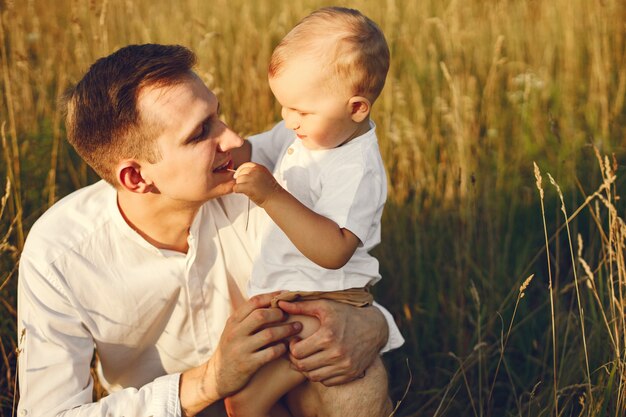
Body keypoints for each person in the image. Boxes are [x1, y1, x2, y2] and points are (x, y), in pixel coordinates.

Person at [16, 43, 403, 417]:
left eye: (218, 114)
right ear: (135, 177)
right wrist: (208, 382)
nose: (234, 140)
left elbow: (339, 272)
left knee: (355, 377)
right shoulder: (61, 255)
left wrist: (374, 324)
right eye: (201, 133)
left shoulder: (273, 174)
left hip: (278, 392)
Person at [226, 7, 402, 417]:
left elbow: (334, 250)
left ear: (357, 108)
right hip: (294, 291)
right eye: (283, 107)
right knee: (247, 399)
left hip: (327, 296)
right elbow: (252, 148)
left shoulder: (355, 168)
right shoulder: (317, 132)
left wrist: (271, 195)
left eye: (301, 111)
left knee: (246, 400)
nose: (288, 121)